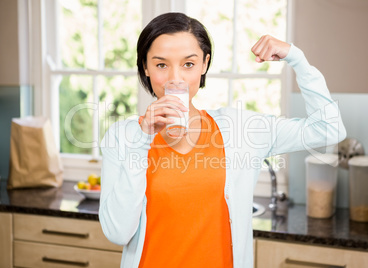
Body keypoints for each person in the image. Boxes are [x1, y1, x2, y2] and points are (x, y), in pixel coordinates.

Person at [99, 12, 346, 268]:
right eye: (161, 64)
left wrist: (298, 60)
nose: (175, 78)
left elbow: (328, 130)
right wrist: (142, 140)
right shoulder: (123, 137)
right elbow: (117, 233)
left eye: (188, 64)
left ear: (204, 64)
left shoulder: (240, 129)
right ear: (145, 67)